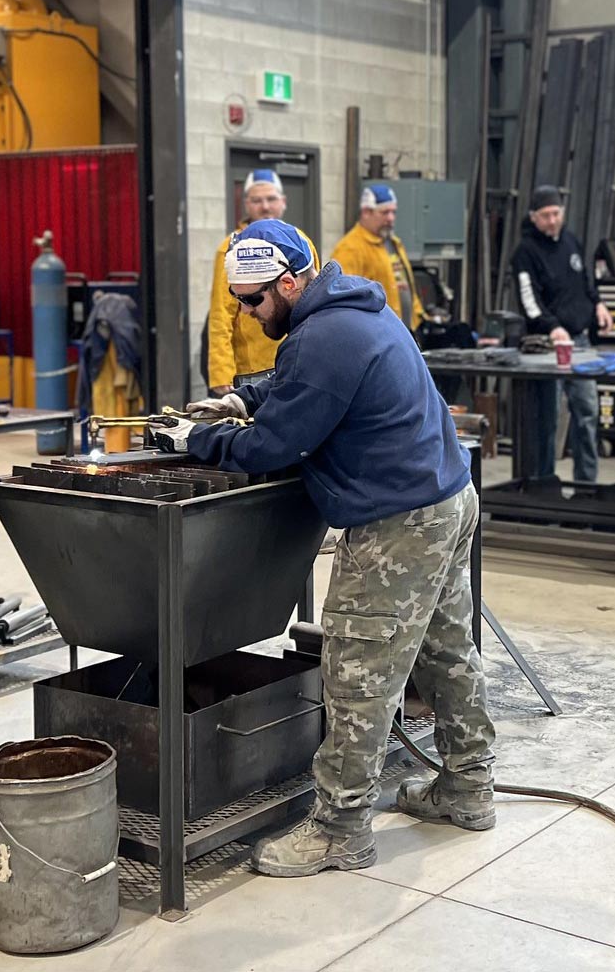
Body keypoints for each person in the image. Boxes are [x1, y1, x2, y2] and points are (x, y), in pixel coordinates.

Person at [151, 220, 495, 877]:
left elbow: (272, 445)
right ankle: (468, 783)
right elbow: (292, 380)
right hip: (447, 498)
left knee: (357, 670)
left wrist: (195, 440)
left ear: (287, 282)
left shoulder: (326, 335)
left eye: (254, 301)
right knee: (445, 650)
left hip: (399, 521)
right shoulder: (346, 308)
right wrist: (236, 396)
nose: (249, 315)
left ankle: (340, 826)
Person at [511, 185, 614, 483]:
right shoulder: (525, 252)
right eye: (545, 216)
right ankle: (544, 485)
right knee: (548, 420)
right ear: (533, 217)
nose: (552, 221)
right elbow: (529, 302)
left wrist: (599, 305)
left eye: (556, 214)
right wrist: (552, 327)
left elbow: (586, 281)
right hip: (548, 346)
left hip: (580, 342)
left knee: (587, 412)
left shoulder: (571, 241)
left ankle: (586, 485)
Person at [206, 169, 315, 393]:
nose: (265, 206)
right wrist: (221, 372)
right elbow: (221, 314)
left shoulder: (301, 243)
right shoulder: (233, 249)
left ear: (283, 202)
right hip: (252, 367)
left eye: (271, 199)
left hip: (294, 359)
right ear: (246, 204)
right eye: (257, 200)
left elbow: (313, 299)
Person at [330, 182, 424, 331]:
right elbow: (342, 299)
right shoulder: (350, 248)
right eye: (385, 212)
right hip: (377, 333)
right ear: (366, 212)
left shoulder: (394, 243)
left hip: (405, 330)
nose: (391, 218)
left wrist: (419, 316)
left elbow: (406, 284)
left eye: (394, 212)